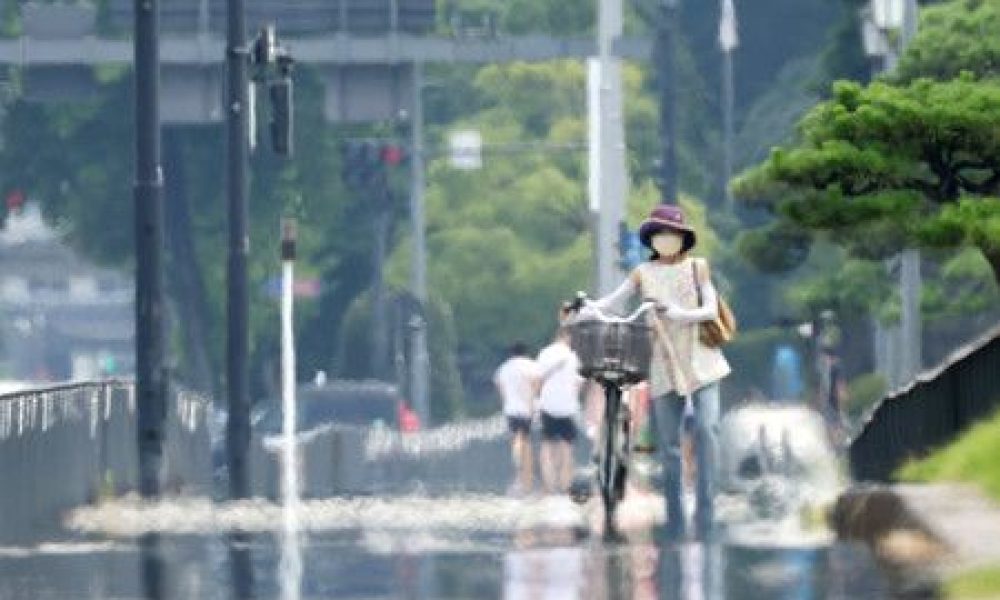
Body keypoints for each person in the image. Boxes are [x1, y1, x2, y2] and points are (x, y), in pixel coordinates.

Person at [594, 203, 731, 539]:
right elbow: (614, 300)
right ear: (651, 239)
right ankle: (674, 508)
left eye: (671, 233)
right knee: (668, 444)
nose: (665, 240)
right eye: (659, 234)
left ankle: (706, 502)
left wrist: (680, 313)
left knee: (707, 429)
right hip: (663, 362)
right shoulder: (643, 273)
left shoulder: (698, 268)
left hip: (701, 360)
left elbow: (710, 308)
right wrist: (587, 308)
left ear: (683, 238)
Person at [536, 326, 584, 495]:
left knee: (547, 447)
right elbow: (579, 384)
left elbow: (537, 379)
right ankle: (565, 487)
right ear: (567, 336)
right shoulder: (574, 356)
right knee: (567, 448)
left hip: (547, 405)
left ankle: (549, 488)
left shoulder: (544, 354)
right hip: (567, 407)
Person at [493, 342, 541, 495]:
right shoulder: (531, 365)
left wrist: (506, 401)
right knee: (526, 442)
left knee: (516, 440)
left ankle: (519, 474)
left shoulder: (504, 368)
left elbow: (500, 386)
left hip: (511, 409)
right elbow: (537, 383)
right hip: (527, 409)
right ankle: (527, 478)